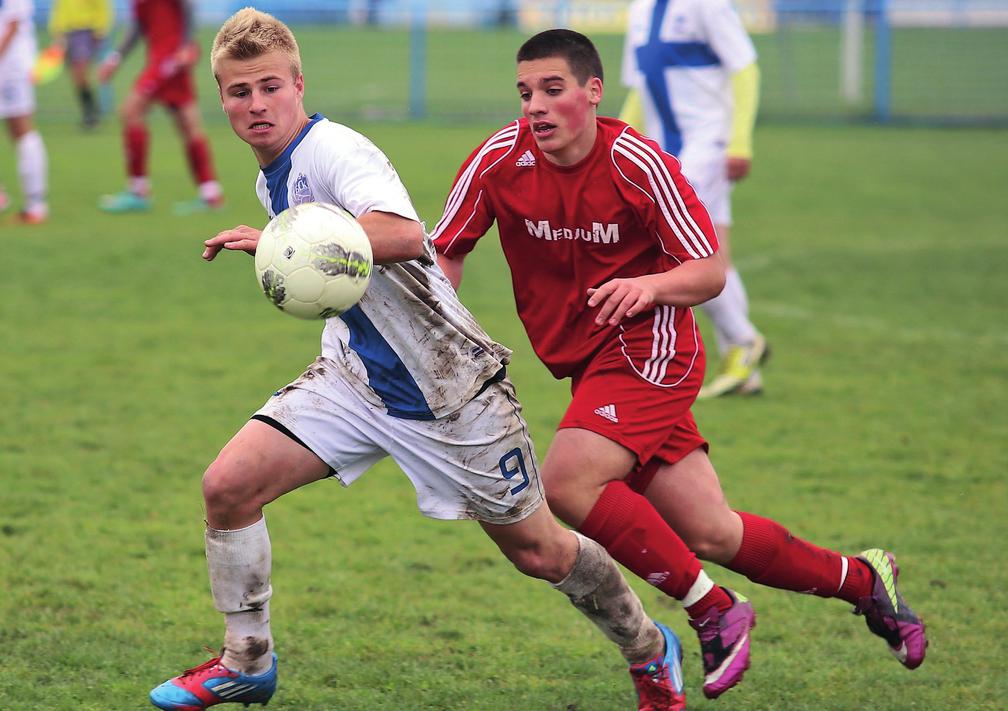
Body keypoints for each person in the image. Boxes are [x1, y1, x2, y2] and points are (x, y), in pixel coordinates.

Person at [148, 10, 686, 711]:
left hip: (450, 391)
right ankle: (246, 659)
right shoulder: (273, 174)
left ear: (299, 83)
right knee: (227, 487)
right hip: (356, 378)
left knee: (542, 552)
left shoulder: (337, 152)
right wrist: (285, 236)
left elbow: (405, 235)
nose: (255, 105)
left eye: (269, 87)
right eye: (239, 92)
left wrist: (291, 239)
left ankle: (649, 649)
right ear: (220, 97)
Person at [432, 28, 927, 698]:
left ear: (593, 92)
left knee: (570, 482)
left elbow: (710, 270)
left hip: (652, 349)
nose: (535, 107)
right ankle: (867, 583)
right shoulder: (500, 159)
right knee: (712, 530)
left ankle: (713, 609)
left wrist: (649, 286)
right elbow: (447, 247)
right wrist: (436, 328)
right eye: (525, 93)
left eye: (553, 89)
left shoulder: (636, 162)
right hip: (589, 363)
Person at [621, 0, 767, 398]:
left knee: (680, 251)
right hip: (667, 152)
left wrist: (739, 140)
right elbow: (640, 89)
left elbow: (745, 69)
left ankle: (743, 338)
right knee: (713, 252)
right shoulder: (639, 11)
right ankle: (744, 368)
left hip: (708, 146)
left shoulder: (707, 5)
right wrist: (619, 142)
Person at [96, 0, 223, 215]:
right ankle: (210, 194)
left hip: (171, 57)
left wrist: (186, 45)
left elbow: (188, 7)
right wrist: (115, 58)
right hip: (162, 57)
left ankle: (138, 191)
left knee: (131, 111)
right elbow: (138, 27)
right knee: (188, 123)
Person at [0, 0, 49, 224]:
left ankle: (36, 206)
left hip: (11, 65)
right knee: (19, 132)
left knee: (21, 131)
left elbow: (13, 25)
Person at [48, 0, 113, 129]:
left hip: (85, 31)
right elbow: (58, 9)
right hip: (65, 33)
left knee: (81, 71)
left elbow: (102, 7)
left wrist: (100, 30)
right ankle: (90, 111)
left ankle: (91, 113)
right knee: (76, 76)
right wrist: (56, 31)